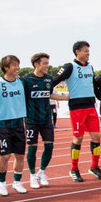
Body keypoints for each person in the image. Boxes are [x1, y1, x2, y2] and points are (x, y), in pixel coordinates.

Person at [53, 41, 101, 182]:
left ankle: (94, 167)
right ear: (77, 51)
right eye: (85, 51)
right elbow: (53, 81)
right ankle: (74, 169)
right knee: (78, 138)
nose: (88, 53)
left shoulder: (90, 67)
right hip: (77, 108)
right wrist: (56, 95)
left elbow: (94, 86)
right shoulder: (69, 67)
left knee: (96, 137)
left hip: (91, 107)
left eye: (88, 51)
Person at [0, 55, 28, 195]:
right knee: (5, 155)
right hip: (3, 123)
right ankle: (2, 183)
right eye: (14, 65)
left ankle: (17, 182)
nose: (17, 67)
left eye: (18, 64)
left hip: (19, 123)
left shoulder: (22, 82)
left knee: (20, 155)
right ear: (5, 67)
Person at [23, 53, 68, 188]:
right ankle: (32, 175)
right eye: (45, 63)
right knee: (32, 148)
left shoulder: (48, 79)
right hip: (31, 120)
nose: (48, 66)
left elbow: (50, 94)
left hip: (46, 120)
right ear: (36, 64)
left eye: (48, 63)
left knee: (49, 146)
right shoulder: (26, 80)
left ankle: (41, 172)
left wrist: (67, 97)